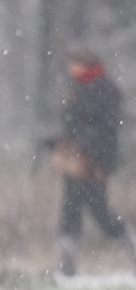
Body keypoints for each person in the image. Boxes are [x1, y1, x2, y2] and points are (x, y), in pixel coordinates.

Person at [50, 48, 135, 276]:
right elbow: (70, 122)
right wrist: (60, 142)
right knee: (70, 208)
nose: (71, 68)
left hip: (95, 161)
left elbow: (107, 128)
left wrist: (87, 145)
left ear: (87, 65)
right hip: (74, 160)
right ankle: (66, 264)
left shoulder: (106, 89)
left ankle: (132, 250)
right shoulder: (75, 88)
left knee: (100, 211)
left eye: (75, 63)